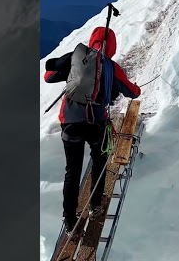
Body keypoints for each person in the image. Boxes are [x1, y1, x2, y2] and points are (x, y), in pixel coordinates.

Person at [43, 27, 141, 233]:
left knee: (73, 170)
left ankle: (70, 220)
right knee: (99, 159)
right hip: (96, 123)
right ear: (111, 46)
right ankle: (96, 205)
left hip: (70, 123)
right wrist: (137, 87)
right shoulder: (111, 67)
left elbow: (49, 77)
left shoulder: (77, 59)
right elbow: (132, 92)